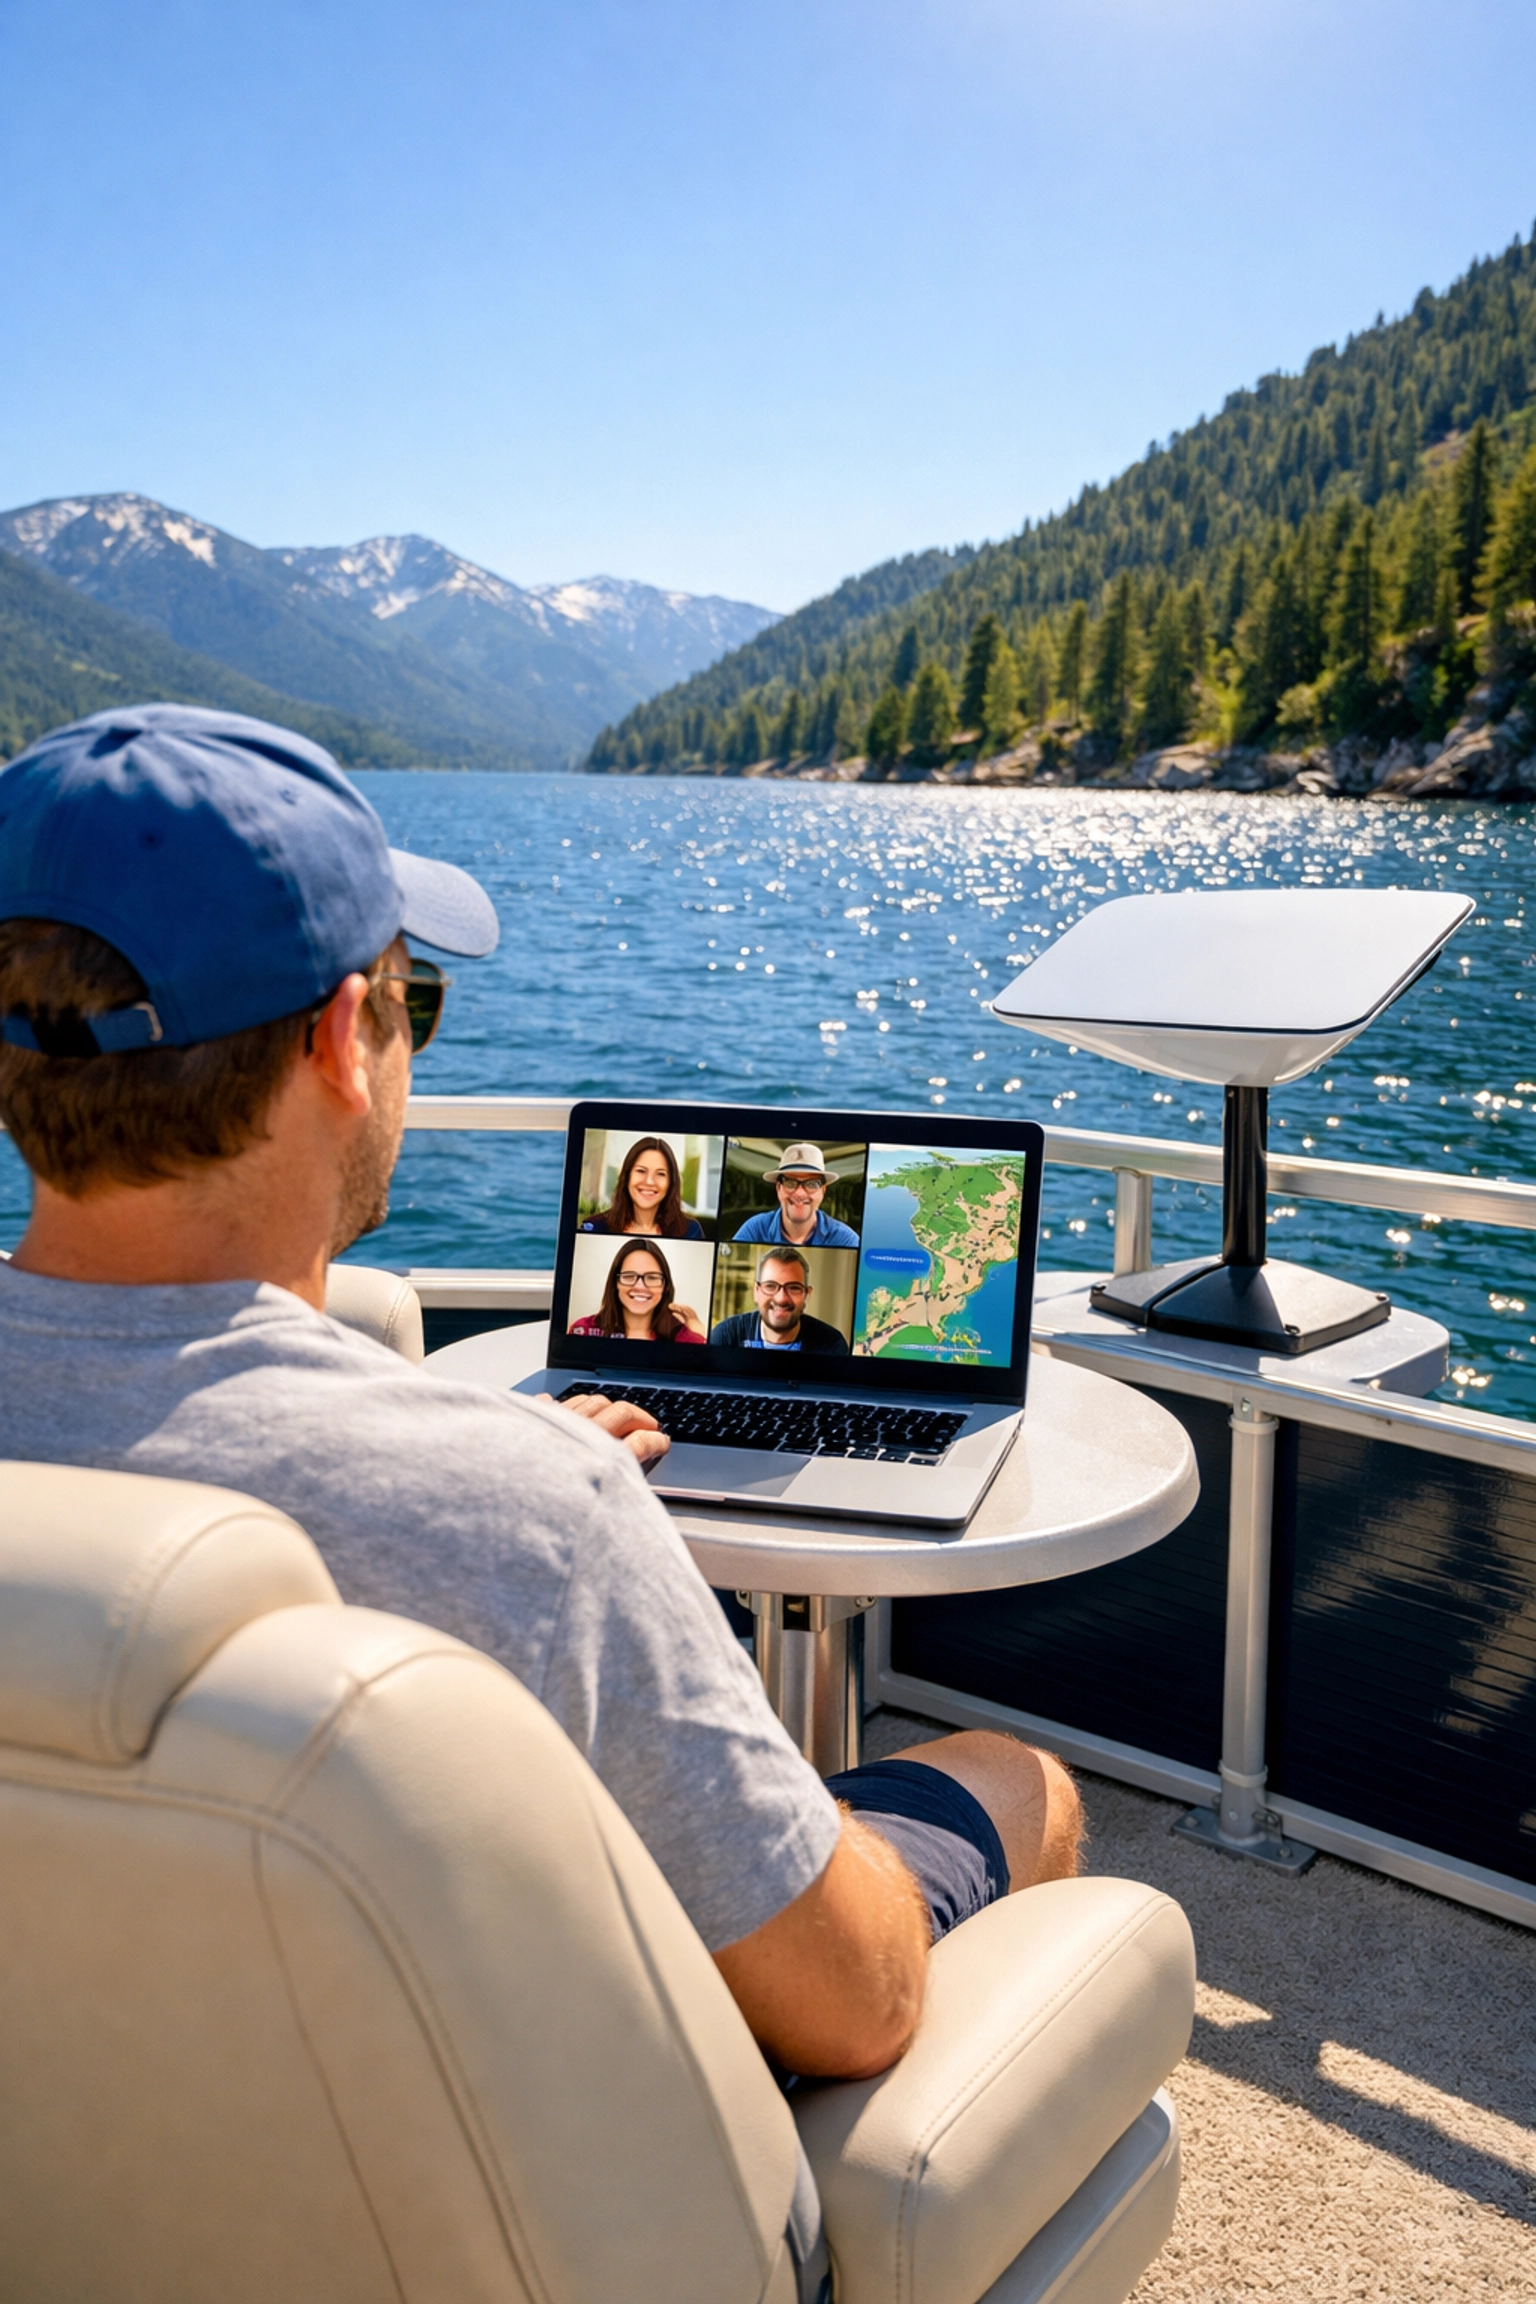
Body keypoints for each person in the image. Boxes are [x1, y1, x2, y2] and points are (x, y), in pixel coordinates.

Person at [0, 704, 1081, 2083]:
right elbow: (854, 2006)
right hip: (494, 2161)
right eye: (414, 1005)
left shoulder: (508, 1479)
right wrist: (524, 1488)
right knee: (1016, 1783)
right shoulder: (532, 1513)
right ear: (341, 1040)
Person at [709, 1246, 850, 1355]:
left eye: (794, 1288)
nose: (781, 1298)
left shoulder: (831, 1344)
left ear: (807, 1295)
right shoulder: (726, 1337)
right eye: (770, 1286)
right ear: (756, 1291)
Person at [569, 1239, 705, 1344]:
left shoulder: (683, 1338)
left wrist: (699, 1337)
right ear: (616, 1283)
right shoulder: (584, 1330)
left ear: (665, 1287)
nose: (640, 1286)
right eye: (629, 1276)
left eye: (652, 1277)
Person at [732, 1142, 859, 1247]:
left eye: (811, 1184)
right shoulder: (754, 1229)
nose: (799, 1193)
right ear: (778, 1188)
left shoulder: (846, 1240)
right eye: (790, 1183)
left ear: (823, 1191)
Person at [580, 1134, 703, 1239]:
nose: (649, 1181)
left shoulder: (690, 1231)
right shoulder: (595, 1227)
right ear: (627, 1176)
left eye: (660, 1174)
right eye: (641, 1171)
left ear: (671, 1182)